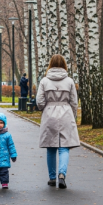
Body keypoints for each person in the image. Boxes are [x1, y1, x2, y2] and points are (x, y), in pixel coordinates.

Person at [36, 55, 80, 189]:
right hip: (66, 113)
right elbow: (74, 101)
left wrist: (45, 108)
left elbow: (39, 101)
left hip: (49, 114)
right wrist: (73, 116)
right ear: (64, 65)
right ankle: (62, 174)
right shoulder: (69, 81)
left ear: (50, 64)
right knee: (64, 147)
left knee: (50, 147)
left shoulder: (44, 81)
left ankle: (52, 177)